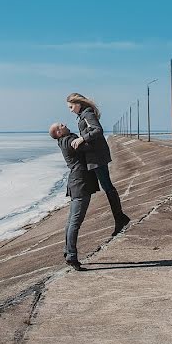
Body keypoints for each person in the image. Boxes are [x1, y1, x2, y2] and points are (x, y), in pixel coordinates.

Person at [66, 92, 131, 236]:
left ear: (78, 104)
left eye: (71, 107)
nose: (70, 110)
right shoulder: (83, 115)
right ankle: (120, 218)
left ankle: (120, 218)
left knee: (107, 186)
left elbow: (98, 130)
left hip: (97, 157)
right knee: (106, 186)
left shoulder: (87, 113)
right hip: (94, 157)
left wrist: (82, 139)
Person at [49, 121, 100, 270]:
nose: (64, 124)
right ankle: (71, 255)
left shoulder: (65, 140)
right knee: (75, 222)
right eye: (61, 125)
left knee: (72, 221)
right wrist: (88, 133)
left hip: (77, 182)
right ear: (59, 132)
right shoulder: (69, 141)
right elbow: (91, 147)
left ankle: (68, 252)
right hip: (80, 184)